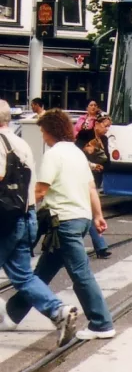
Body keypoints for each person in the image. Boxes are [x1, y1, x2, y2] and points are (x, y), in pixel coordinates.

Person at [5, 110, 116, 340]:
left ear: (51, 131)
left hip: (64, 222)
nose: (43, 136)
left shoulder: (54, 155)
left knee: (81, 274)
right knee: (41, 273)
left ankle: (102, 324)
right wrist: (97, 216)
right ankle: (12, 314)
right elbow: (91, 188)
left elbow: (40, 190)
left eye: (44, 132)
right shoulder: (76, 153)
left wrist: (23, 207)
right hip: (81, 218)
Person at [0, 101, 78, 345]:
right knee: (23, 276)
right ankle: (59, 312)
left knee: (23, 275)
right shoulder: (21, 142)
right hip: (25, 216)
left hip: (4, 220)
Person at [81, 115, 112, 259]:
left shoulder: (104, 140)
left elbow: (108, 160)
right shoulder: (85, 134)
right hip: (83, 177)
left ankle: (100, 247)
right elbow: (78, 154)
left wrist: (102, 166)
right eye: (105, 126)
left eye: (108, 127)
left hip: (95, 179)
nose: (106, 129)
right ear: (97, 124)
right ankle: (100, 247)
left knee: (89, 213)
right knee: (90, 213)